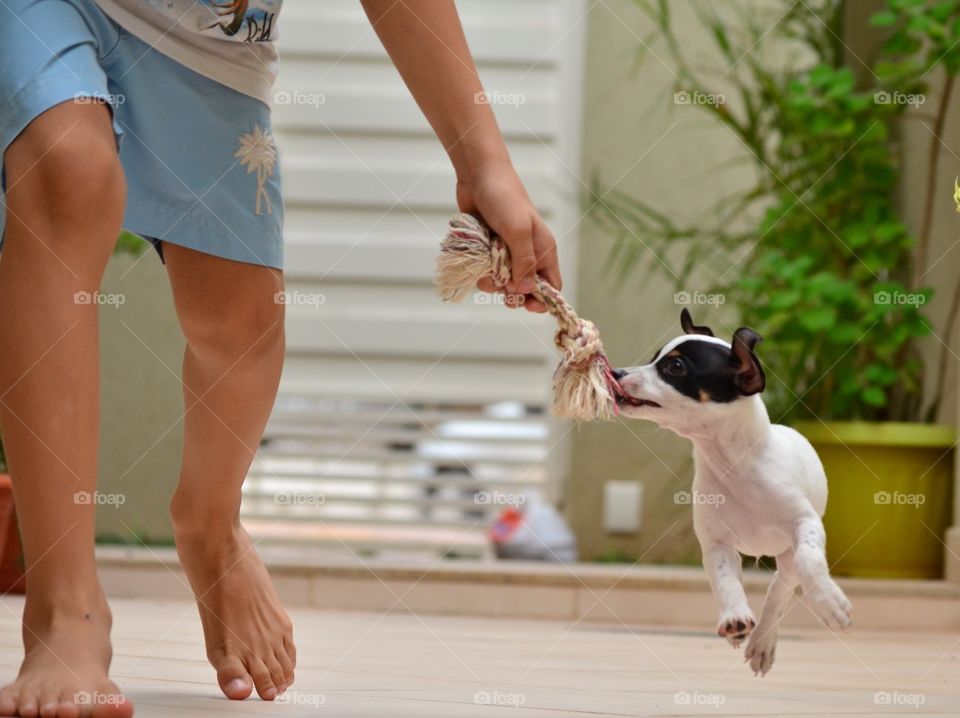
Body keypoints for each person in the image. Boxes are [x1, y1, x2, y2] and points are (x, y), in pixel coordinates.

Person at [0, 1, 562, 715]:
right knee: (67, 169)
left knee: (241, 323)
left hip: (211, 37)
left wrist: (485, 166)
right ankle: (63, 613)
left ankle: (210, 524)